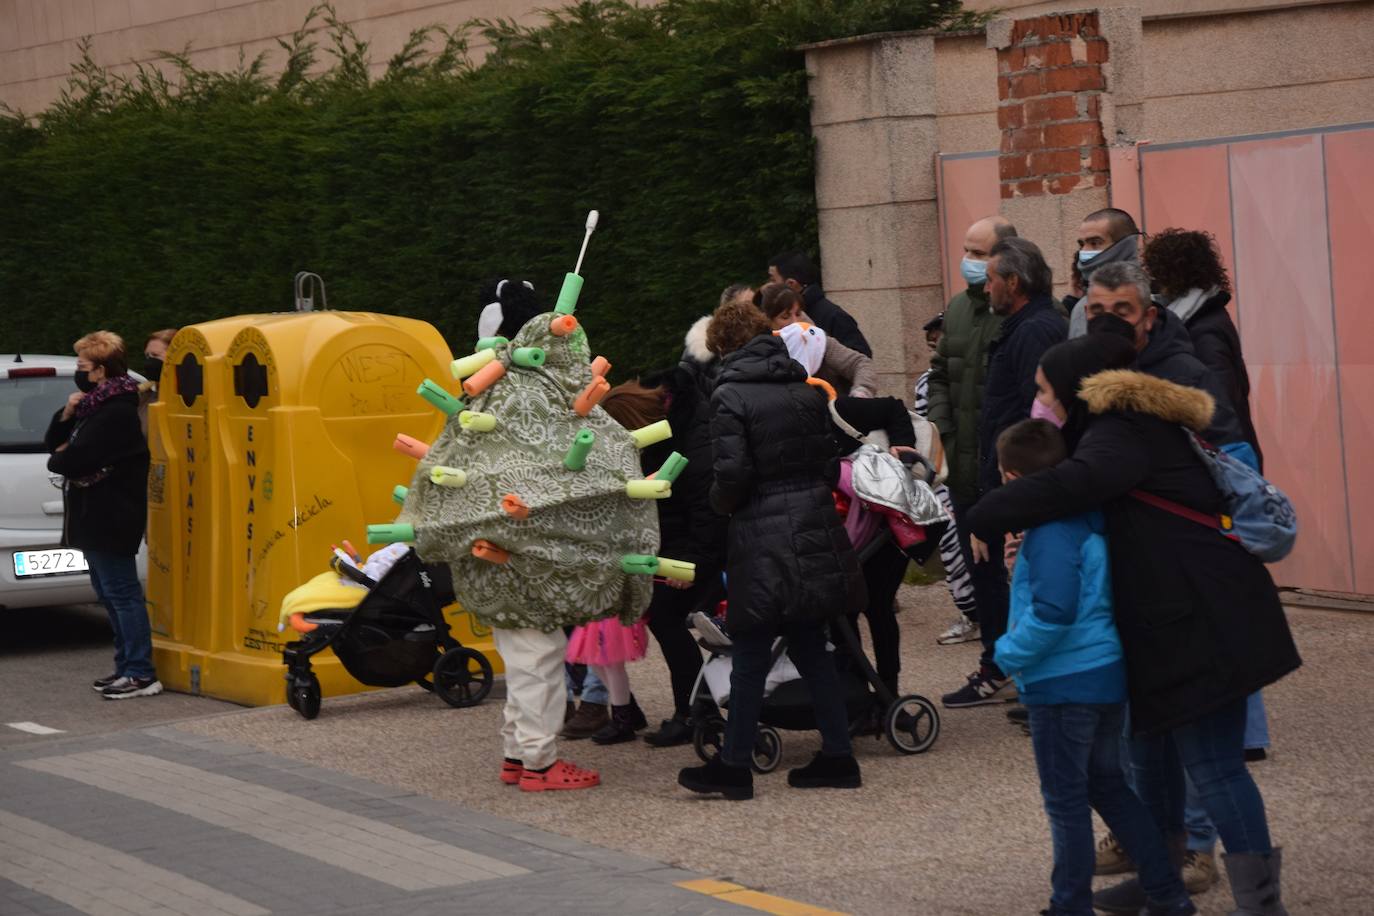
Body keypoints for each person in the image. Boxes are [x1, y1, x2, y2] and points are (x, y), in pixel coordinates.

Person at [966, 334, 1300, 916]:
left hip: (1205, 622)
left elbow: (1071, 486)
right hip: (1166, 626)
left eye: (1045, 391)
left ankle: (1261, 904)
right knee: (1152, 761)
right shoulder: (1117, 432)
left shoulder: (1119, 434)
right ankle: (1162, 884)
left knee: (1214, 767)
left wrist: (985, 511)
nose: (1038, 403)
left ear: (1075, 389)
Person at [992, 417, 1194, 916]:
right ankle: (1168, 895)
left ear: (1012, 479)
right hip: (1103, 674)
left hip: (1062, 684)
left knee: (1065, 803)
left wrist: (1007, 654)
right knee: (1111, 788)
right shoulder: (1086, 520)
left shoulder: (1051, 533)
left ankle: (1070, 905)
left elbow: (1055, 611)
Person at [677, 301, 866, 800]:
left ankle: (735, 765)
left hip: (761, 531)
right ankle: (838, 755)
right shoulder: (803, 387)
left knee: (752, 647)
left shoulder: (729, 394)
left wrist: (721, 504)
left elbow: (732, 475)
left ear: (722, 347)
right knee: (812, 646)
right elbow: (828, 464)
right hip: (812, 527)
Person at [942, 236, 1067, 709]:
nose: (985, 285)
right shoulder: (1016, 326)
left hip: (1012, 482)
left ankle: (1004, 669)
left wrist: (999, 496)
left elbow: (1032, 421)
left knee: (1010, 576)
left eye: (991, 277)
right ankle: (1010, 668)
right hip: (992, 475)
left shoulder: (1036, 330)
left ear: (1012, 282)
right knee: (991, 573)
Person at [634, 310, 731, 748]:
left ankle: (694, 711)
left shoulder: (695, 441)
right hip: (684, 545)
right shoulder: (678, 431)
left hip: (708, 553)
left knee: (669, 617)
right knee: (665, 618)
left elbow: (707, 515)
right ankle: (693, 708)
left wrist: (688, 565)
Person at [45, 331, 160, 700]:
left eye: (82, 365)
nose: (79, 372)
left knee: (122, 594)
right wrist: (66, 415)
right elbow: (56, 444)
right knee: (108, 594)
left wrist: (63, 454)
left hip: (112, 516)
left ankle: (141, 673)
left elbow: (68, 459)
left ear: (100, 371)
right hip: (93, 515)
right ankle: (125, 667)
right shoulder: (94, 405)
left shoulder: (115, 412)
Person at [925, 216, 1016, 646]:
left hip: (1006, 468)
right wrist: (943, 428)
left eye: (979, 254)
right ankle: (993, 660)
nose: (968, 262)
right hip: (964, 467)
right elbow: (940, 372)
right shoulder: (958, 309)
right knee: (981, 570)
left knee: (1018, 572)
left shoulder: (1024, 315)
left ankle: (1022, 665)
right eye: (966, 251)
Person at [1083, 261, 1245, 452]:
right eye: (1097, 312)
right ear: (1086, 313)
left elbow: (1231, 453)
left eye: (1122, 313)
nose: (1108, 322)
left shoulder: (1189, 377)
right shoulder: (1074, 367)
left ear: (1149, 317)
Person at [1142, 228, 1263, 468]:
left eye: (1155, 271)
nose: (1151, 280)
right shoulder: (1202, 316)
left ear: (1171, 274)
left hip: (1226, 459)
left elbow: (1218, 401)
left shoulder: (1202, 330)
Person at [913, 313, 978, 642]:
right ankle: (971, 613)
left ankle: (981, 613)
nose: (935, 344)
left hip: (968, 470)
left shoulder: (974, 373)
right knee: (954, 545)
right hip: (943, 475)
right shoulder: (927, 382)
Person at [754, 282, 878, 397]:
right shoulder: (758, 351)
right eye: (785, 317)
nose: (795, 322)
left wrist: (861, 392)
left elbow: (860, 363)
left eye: (798, 314)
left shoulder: (817, 340)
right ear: (768, 321)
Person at [766, 251, 872, 356]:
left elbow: (862, 358)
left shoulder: (834, 316)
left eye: (773, 280)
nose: (769, 285)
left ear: (791, 284)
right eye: (785, 317)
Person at [1068, 208, 1141, 337]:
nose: (1084, 251)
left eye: (1095, 243)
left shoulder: (1147, 296)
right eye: (1081, 244)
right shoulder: (1083, 304)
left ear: (1124, 246)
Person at [137, 328, 177, 436]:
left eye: (155, 355)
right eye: (147, 356)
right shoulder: (145, 396)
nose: (150, 362)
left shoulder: (185, 399)